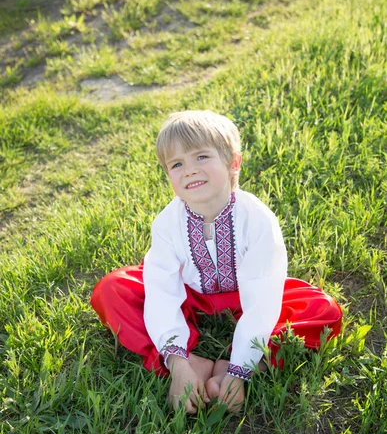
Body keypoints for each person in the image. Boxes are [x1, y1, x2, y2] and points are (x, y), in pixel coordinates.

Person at [91, 110, 342, 414]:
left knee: (323, 309)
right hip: (190, 294)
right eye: (177, 164)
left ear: (233, 162)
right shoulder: (167, 223)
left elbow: (263, 297)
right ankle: (189, 365)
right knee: (112, 289)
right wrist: (177, 359)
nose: (189, 171)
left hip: (246, 294)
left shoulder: (258, 219)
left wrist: (241, 368)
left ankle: (246, 366)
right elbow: (162, 290)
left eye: (201, 157)